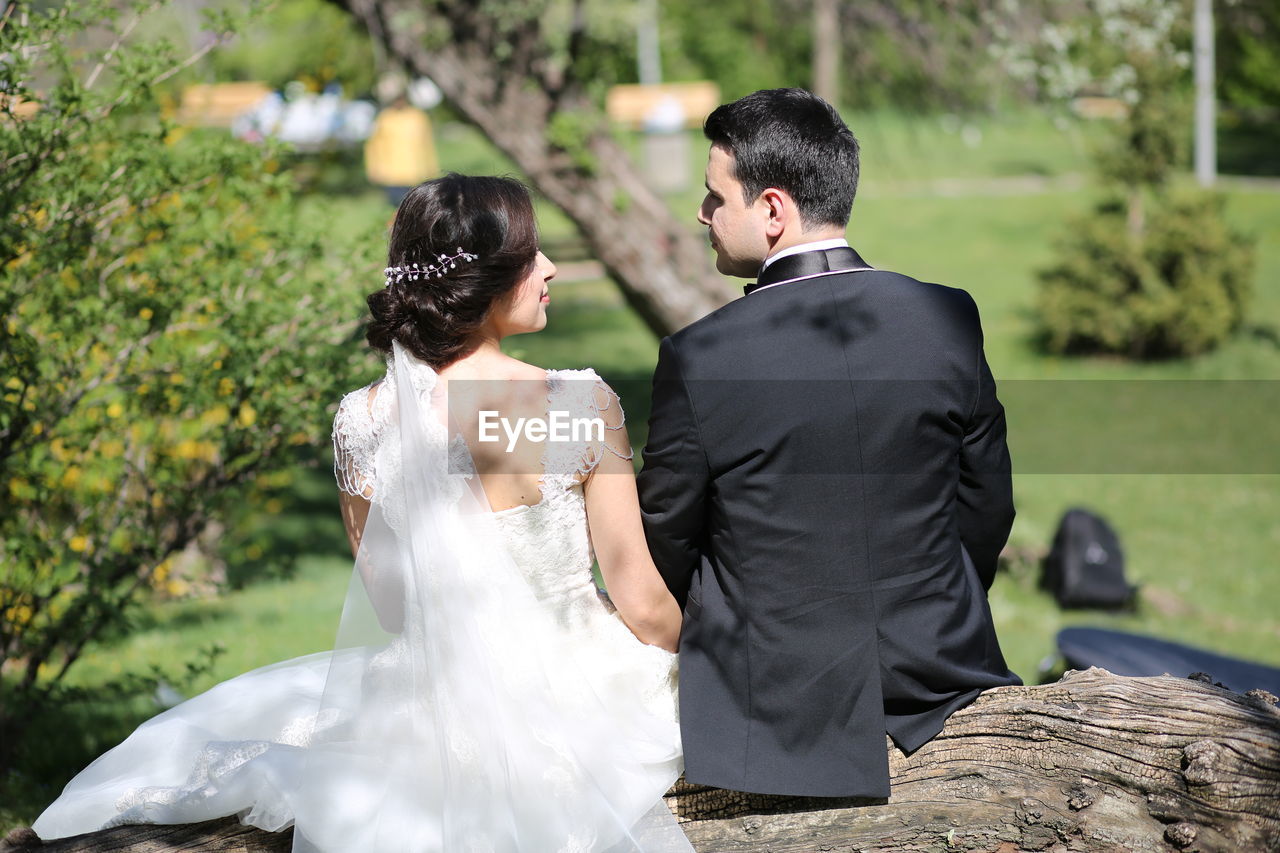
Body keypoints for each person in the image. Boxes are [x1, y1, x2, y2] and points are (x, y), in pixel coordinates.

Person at [33, 175, 692, 853]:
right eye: (530, 256)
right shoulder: (575, 406)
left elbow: (392, 607)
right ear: (480, 278)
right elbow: (641, 602)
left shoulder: (364, 419)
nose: (549, 268)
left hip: (429, 697)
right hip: (583, 689)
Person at [637, 87, 1022, 799]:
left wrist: (752, 612)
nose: (701, 213)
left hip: (774, 703)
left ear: (773, 210)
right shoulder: (946, 316)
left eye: (714, 196)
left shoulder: (700, 356)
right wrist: (932, 603)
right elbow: (986, 504)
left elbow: (668, 530)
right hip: (947, 666)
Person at [363, 95, 439, 207]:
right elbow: (373, 145)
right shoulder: (384, 118)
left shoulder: (418, 117)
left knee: (416, 209)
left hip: (415, 174)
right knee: (396, 210)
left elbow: (427, 144)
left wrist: (431, 168)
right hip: (392, 175)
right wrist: (373, 168)